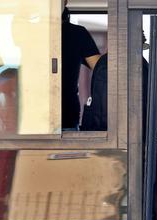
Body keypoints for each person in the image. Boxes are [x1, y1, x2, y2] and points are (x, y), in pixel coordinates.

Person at [61, 0, 101, 130]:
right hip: (29, 119)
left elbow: (102, 70)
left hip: (66, 119)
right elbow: (102, 70)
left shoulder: (77, 33)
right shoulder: (28, 30)